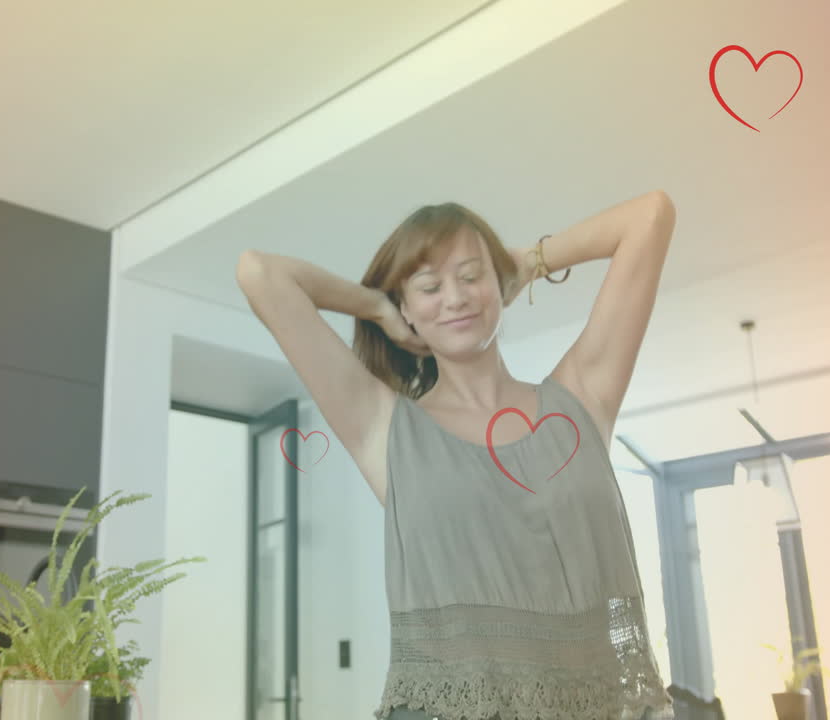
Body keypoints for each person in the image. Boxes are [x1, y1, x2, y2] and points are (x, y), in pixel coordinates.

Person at [235, 191, 678, 720]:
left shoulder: (581, 398)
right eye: (429, 286)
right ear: (409, 307)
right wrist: (378, 305)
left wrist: (527, 263)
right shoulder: (386, 428)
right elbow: (259, 273)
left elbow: (650, 216)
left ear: (499, 284)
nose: (455, 298)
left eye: (471, 276)